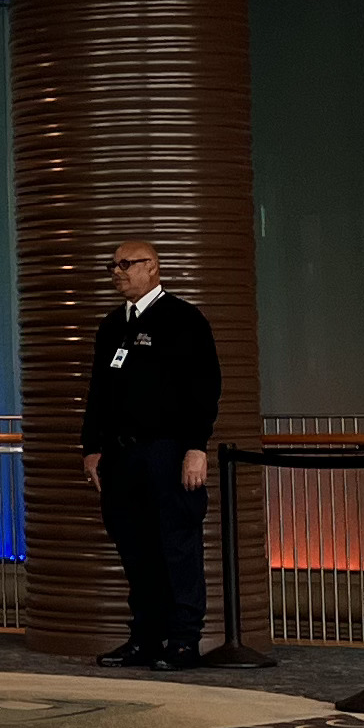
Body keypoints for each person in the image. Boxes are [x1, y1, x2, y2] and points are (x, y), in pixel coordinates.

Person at [79, 236, 221, 668]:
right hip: (121, 457)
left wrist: (196, 446)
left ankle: (183, 640)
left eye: (126, 264)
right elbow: (97, 393)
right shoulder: (111, 326)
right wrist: (92, 447)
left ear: (153, 267)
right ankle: (145, 637)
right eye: (113, 266)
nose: (117, 273)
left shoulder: (183, 319)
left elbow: (204, 387)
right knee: (136, 549)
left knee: (177, 546)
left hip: (168, 451)